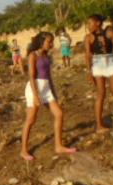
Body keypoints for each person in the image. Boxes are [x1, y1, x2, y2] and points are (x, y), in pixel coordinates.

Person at [21, 32, 76, 161]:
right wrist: (35, 95)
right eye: (49, 42)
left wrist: (54, 93)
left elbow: (49, 76)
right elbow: (31, 76)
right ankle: (23, 150)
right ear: (41, 42)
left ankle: (58, 146)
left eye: (52, 42)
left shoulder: (46, 56)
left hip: (46, 89)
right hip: (34, 88)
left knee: (59, 114)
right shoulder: (32, 55)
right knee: (31, 119)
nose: (51, 44)